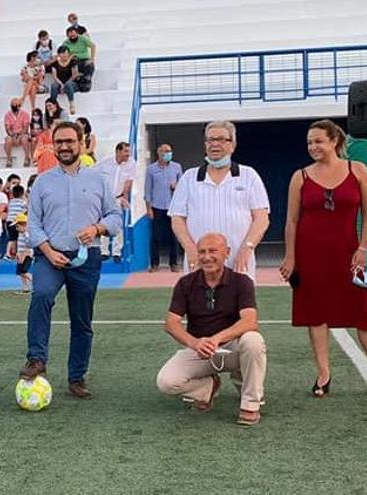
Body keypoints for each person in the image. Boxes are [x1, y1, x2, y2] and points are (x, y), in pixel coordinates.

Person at [280, 119, 367, 397]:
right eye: (310, 142)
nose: (313, 147)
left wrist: (362, 248)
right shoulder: (300, 176)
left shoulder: (358, 170)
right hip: (310, 257)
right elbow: (292, 221)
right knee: (316, 315)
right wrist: (290, 257)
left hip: (351, 256)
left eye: (319, 141)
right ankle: (323, 375)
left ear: (334, 141)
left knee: (364, 314)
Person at [20, 122, 122, 400]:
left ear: (81, 143)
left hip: (85, 260)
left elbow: (115, 217)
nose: (64, 146)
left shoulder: (98, 179)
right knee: (40, 295)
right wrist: (48, 250)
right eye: (59, 142)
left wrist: (97, 229)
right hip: (48, 255)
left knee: (81, 320)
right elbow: (34, 223)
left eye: (69, 141)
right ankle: (37, 359)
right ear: (53, 145)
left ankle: (76, 376)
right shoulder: (42, 181)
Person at [156, 233, 266, 426]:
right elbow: (171, 323)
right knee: (166, 382)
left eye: (213, 251)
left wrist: (217, 338)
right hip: (200, 350)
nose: (207, 257)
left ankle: (250, 404)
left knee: (253, 340)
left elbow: (250, 321)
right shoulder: (185, 284)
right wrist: (195, 342)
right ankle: (208, 387)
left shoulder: (242, 282)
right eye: (202, 252)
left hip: (233, 348)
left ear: (227, 253)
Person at [169, 121, 270, 280]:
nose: (214, 144)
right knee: (198, 304)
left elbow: (262, 219)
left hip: (239, 263)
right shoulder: (189, 178)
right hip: (200, 262)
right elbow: (177, 219)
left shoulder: (249, 175)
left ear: (233, 145)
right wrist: (190, 249)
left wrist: (247, 248)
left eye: (221, 139)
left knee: (241, 305)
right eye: (210, 140)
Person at [145, 143, 183, 272]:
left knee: (175, 235)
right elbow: (148, 190)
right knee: (156, 236)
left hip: (173, 207)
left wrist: (176, 186)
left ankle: (174, 263)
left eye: (169, 151)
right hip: (157, 206)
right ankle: (155, 264)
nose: (167, 153)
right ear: (159, 153)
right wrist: (148, 208)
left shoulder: (177, 167)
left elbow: (183, 187)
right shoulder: (151, 169)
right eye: (165, 151)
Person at [98, 141, 137, 262]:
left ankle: (116, 252)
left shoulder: (131, 163)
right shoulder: (105, 162)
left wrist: (125, 197)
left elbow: (129, 182)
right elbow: (95, 174)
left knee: (118, 225)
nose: (128, 154)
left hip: (119, 198)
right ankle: (104, 251)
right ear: (118, 151)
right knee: (104, 223)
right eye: (125, 151)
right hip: (105, 198)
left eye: (129, 152)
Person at [62, 26, 95, 92]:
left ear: (77, 33)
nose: (72, 37)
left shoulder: (83, 39)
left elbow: (93, 46)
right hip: (73, 60)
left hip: (84, 59)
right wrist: (70, 57)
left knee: (90, 65)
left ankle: (87, 82)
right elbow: (63, 53)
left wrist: (92, 59)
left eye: (74, 35)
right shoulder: (66, 43)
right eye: (70, 36)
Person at [50, 46, 80, 114]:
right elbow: (55, 76)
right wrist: (61, 84)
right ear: (59, 54)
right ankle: (53, 105)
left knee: (68, 84)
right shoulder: (55, 63)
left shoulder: (73, 62)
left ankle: (72, 105)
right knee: (54, 86)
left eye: (66, 53)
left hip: (71, 83)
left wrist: (65, 84)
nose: (65, 55)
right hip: (60, 82)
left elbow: (74, 75)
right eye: (63, 53)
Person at [4, 98, 31, 168]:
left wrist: (19, 136)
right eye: (13, 105)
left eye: (17, 105)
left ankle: (27, 157)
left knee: (24, 139)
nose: (15, 106)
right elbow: (7, 128)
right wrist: (12, 135)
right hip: (13, 134)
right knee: (8, 139)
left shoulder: (25, 114)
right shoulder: (7, 115)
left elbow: (26, 127)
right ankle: (9, 159)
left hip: (22, 133)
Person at [12, 212, 33, 293]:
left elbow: (28, 246)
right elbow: (20, 244)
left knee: (24, 271)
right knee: (20, 272)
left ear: (24, 225)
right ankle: (25, 288)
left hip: (26, 256)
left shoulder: (26, 234)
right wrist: (18, 253)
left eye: (17, 226)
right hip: (21, 255)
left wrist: (23, 256)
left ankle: (34, 282)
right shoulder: (20, 234)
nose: (16, 229)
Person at [5, 183, 27, 257]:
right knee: (18, 238)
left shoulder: (10, 202)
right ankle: (15, 252)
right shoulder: (23, 202)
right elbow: (25, 212)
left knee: (11, 238)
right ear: (22, 194)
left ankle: (9, 252)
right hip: (17, 221)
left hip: (9, 222)